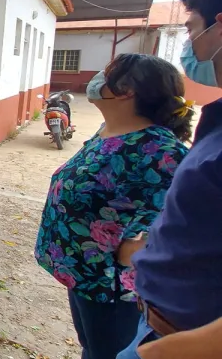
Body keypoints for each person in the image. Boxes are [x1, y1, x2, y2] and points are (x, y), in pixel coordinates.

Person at [34, 53, 194, 359]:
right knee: (91, 347)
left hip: (112, 287)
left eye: (107, 75)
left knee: (107, 352)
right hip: (83, 273)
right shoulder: (109, 131)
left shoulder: (159, 149)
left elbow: (189, 213)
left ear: (127, 90)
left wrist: (142, 244)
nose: (98, 81)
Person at [117, 0, 222, 359]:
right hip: (156, 321)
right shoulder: (216, 124)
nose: (189, 43)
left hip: (178, 342)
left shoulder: (157, 148)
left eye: (192, 27)